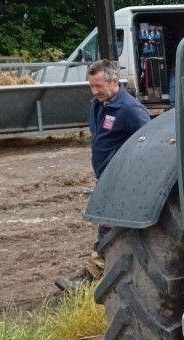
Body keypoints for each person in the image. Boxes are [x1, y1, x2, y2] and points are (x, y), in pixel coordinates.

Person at [57, 60, 150, 290]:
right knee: (113, 229)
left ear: (115, 81)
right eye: (91, 86)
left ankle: (89, 280)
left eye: (98, 86)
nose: (94, 91)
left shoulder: (130, 110)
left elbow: (150, 143)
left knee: (108, 228)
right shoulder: (98, 105)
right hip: (106, 178)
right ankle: (118, 275)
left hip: (122, 181)